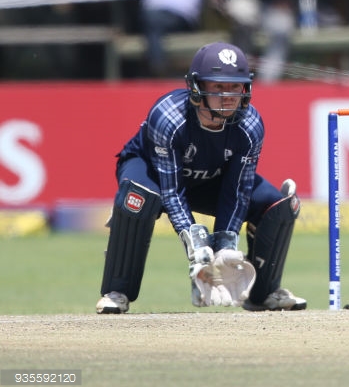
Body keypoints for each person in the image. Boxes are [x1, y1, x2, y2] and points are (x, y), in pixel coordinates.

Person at [96, 41, 306, 314]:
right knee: (139, 197)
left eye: (235, 86)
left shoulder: (250, 125)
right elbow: (172, 191)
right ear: (196, 87)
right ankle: (117, 292)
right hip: (153, 172)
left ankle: (263, 294)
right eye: (218, 86)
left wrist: (224, 247)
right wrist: (197, 250)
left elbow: (238, 190)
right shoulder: (169, 117)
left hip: (210, 180)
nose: (228, 96)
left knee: (276, 205)